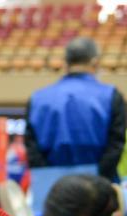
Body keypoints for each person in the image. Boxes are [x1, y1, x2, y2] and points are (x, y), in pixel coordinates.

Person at [26, 37, 126, 181]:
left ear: (66, 63)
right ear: (95, 62)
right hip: (99, 186)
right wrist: (95, 181)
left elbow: (32, 149)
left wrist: (51, 180)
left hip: (51, 187)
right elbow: (116, 145)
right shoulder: (111, 95)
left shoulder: (38, 99)